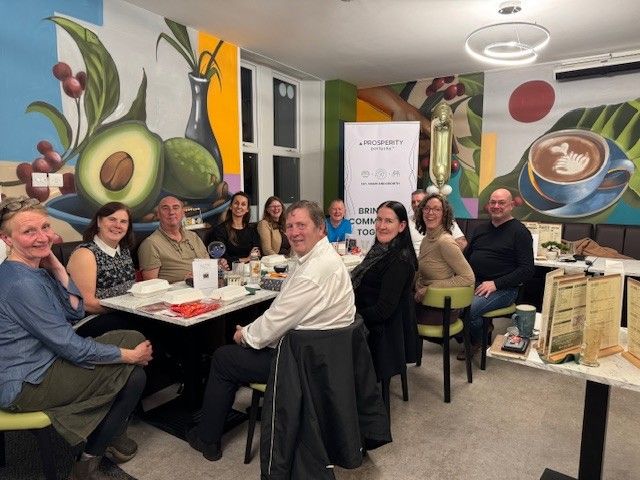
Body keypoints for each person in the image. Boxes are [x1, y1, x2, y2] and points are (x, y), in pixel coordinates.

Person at [186, 200, 355, 461]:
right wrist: (254, 330)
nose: (294, 232)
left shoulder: (313, 271)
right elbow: (281, 313)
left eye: (301, 225)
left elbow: (276, 322)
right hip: (322, 353)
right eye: (290, 226)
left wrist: (245, 335)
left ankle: (207, 439)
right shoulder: (321, 258)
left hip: (300, 361)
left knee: (223, 358)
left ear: (320, 228)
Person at [0, 196, 153, 479]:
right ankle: (90, 459)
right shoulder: (20, 283)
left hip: (46, 362)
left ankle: (109, 433)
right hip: (26, 383)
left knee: (132, 336)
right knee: (133, 373)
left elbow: (75, 310)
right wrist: (128, 356)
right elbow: (71, 347)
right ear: (7, 239)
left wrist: (57, 267)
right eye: (29, 231)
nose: (42, 237)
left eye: (45, 227)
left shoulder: (35, 270)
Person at [350, 201, 418, 394]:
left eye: (388, 221)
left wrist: (350, 314)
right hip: (372, 318)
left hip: (382, 332)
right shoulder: (380, 250)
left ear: (402, 226)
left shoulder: (399, 260)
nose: (381, 226)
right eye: (379, 219)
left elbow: (382, 311)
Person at [462, 188, 535, 360]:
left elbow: (527, 270)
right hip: (475, 284)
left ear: (511, 205)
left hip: (504, 289)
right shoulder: (480, 229)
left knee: (469, 309)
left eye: (501, 203)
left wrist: (495, 284)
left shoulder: (520, 232)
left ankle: (478, 339)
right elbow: (465, 258)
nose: (496, 206)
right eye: (493, 202)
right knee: (452, 302)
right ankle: (476, 331)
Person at [66, 202, 137, 337]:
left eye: (123, 222)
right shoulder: (85, 254)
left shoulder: (124, 251)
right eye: (112, 219)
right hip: (90, 320)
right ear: (99, 221)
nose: (118, 225)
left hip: (124, 314)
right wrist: (127, 307)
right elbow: (87, 304)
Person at [413, 193, 475, 325]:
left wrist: (430, 288)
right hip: (425, 303)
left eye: (437, 209)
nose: (430, 213)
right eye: (427, 208)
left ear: (444, 215)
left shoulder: (445, 242)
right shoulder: (426, 240)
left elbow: (468, 277)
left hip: (440, 310)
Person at [137, 196, 209, 283]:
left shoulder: (193, 236)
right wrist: (185, 281)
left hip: (205, 285)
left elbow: (208, 265)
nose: (171, 212)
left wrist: (218, 265)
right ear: (158, 215)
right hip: (177, 290)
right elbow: (151, 285)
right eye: (165, 208)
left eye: (175, 207)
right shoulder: (150, 244)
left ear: (182, 213)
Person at [205, 191, 261, 264]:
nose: (239, 206)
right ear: (231, 206)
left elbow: (257, 251)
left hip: (250, 268)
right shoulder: (219, 230)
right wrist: (245, 259)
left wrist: (254, 255)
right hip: (229, 269)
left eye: (243, 204)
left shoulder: (252, 230)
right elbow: (222, 258)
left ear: (247, 209)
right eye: (236, 203)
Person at [409, 189, 467, 256]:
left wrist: (445, 258)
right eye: (413, 202)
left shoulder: (444, 219)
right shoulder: (407, 221)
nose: (416, 204)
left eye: (419, 201)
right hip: (414, 261)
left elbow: (462, 242)